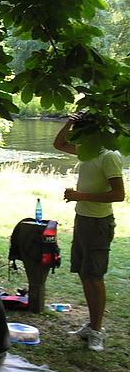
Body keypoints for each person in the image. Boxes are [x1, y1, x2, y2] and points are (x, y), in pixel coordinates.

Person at [53, 111, 125, 352]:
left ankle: (97, 331)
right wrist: (69, 122)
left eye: (81, 130)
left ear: (94, 131)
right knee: (85, 274)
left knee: (95, 276)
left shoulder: (109, 156)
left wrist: (79, 196)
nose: (77, 136)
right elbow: (59, 144)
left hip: (98, 224)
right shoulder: (87, 152)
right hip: (82, 219)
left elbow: (118, 195)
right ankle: (91, 325)